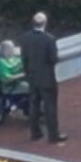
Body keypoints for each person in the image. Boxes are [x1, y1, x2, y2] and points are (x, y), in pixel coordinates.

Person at [18, 12, 63, 143]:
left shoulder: (25, 38)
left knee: (34, 104)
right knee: (50, 107)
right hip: (47, 78)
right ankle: (53, 135)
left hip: (32, 76)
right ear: (45, 23)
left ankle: (35, 132)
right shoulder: (49, 39)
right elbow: (53, 59)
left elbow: (24, 58)